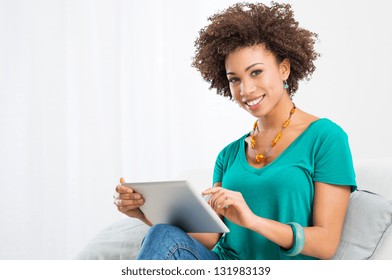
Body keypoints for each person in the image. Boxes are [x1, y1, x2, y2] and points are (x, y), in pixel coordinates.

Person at [114, 2, 356, 260]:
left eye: (257, 72)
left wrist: (252, 220)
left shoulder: (326, 138)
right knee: (162, 234)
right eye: (234, 79)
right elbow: (209, 237)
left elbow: (326, 243)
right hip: (224, 265)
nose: (246, 90)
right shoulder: (229, 155)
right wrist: (144, 213)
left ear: (284, 68)